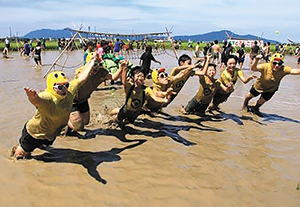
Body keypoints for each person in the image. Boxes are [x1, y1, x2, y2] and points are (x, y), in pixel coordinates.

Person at [11, 57, 97, 159]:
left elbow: (81, 78)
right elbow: (38, 100)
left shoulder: (69, 91)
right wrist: (32, 97)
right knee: (20, 156)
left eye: (65, 85)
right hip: (34, 134)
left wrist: (91, 62)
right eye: (60, 87)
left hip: (50, 135)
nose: (64, 89)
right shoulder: (48, 97)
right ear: (52, 87)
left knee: (44, 148)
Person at [67, 54, 126, 132]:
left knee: (86, 122)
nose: (97, 67)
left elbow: (114, 77)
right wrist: (91, 63)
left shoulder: (101, 71)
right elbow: (82, 76)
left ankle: (70, 127)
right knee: (79, 127)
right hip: (73, 100)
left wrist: (121, 68)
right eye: (94, 64)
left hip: (83, 100)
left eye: (99, 64)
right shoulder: (82, 71)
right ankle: (65, 121)